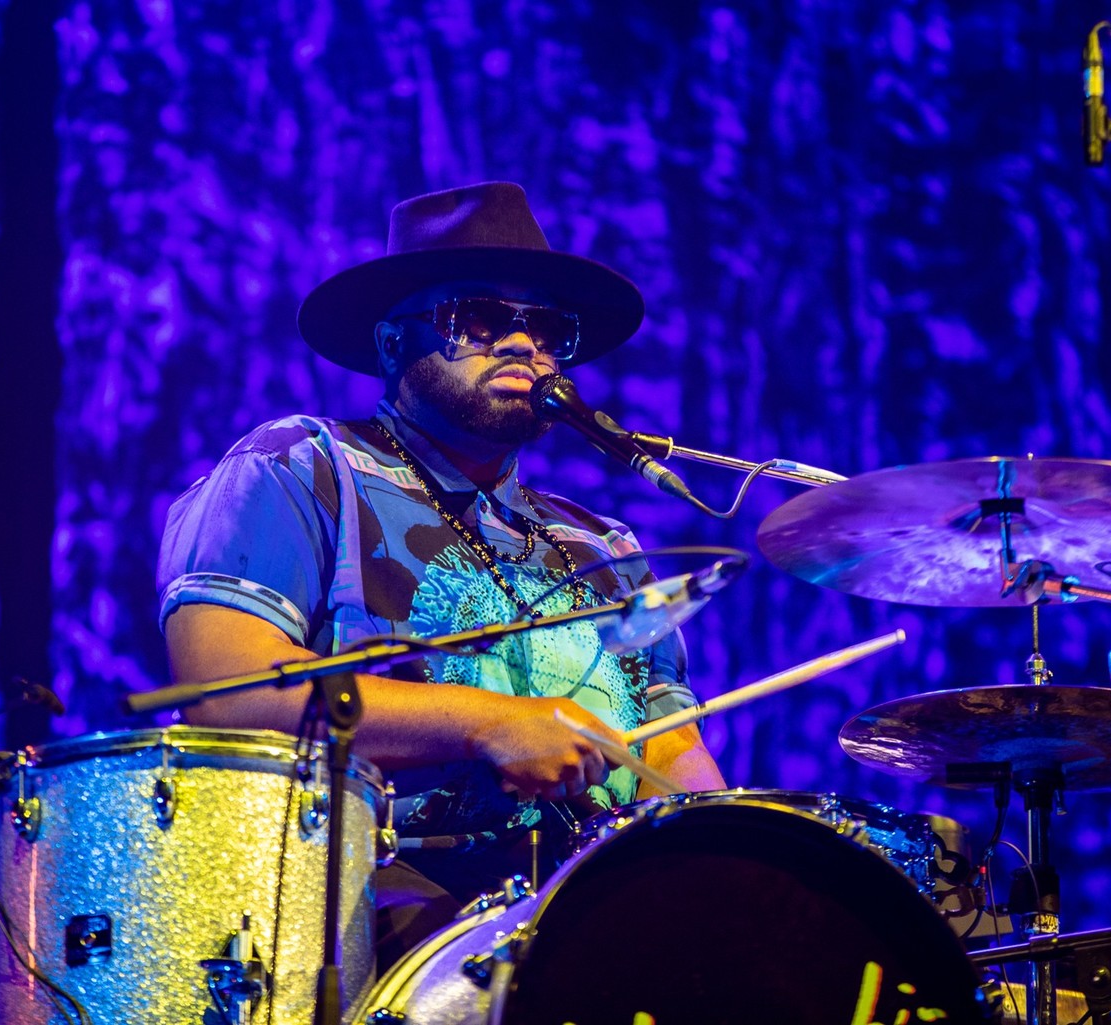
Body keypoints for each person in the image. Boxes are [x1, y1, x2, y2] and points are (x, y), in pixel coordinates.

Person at [155, 181, 726, 967]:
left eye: (547, 328)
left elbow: (669, 755)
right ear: (393, 344)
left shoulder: (606, 547)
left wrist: (745, 864)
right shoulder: (302, 467)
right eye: (480, 319)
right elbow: (229, 693)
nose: (524, 345)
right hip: (371, 927)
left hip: (596, 932)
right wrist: (485, 720)